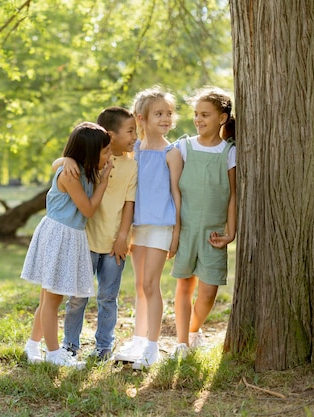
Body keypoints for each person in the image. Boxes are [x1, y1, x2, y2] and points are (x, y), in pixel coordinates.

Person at [22, 122, 113, 369]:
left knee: (48, 297)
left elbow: (60, 163)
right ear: (89, 153)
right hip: (60, 235)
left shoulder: (79, 169)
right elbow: (88, 209)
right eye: (105, 152)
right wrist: (103, 182)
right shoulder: (71, 174)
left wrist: (64, 159)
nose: (109, 156)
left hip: (67, 235)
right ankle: (53, 354)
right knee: (52, 299)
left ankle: (32, 345)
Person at [53, 107, 138, 361]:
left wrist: (124, 236)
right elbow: (62, 165)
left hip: (115, 243)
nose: (135, 136)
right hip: (85, 241)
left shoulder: (131, 166)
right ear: (110, 136)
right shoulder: (91, 160)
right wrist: (64, 159)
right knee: (77, 298)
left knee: (108, 297)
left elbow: (129, 204)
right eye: (130, 131)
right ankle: (70, 346)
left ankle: (103, 346)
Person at [113, 86, 182, 369]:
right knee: (140, 286)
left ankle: (153, 347)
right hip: (137, 227)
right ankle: (139, 339)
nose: (166, 118)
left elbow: (177, 194)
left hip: (161, 227)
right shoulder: (135, 151)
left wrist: (177, 232)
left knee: (152, 285)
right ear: (141, 118)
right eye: (159, 113)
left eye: (168, 113)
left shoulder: (172, 152)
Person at [170, 87, 236, 359]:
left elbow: (233, 195)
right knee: (184, 286)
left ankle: (194, 331)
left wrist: (231, 231)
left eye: (205, 115)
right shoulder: (183, 147)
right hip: (186, 230)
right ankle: (182, 342)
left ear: (222, 117)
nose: (198, 119)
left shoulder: (229, 153)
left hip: (214, 234)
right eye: (196, 114)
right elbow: (173, 191)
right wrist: (174, 231)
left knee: (208, 292)